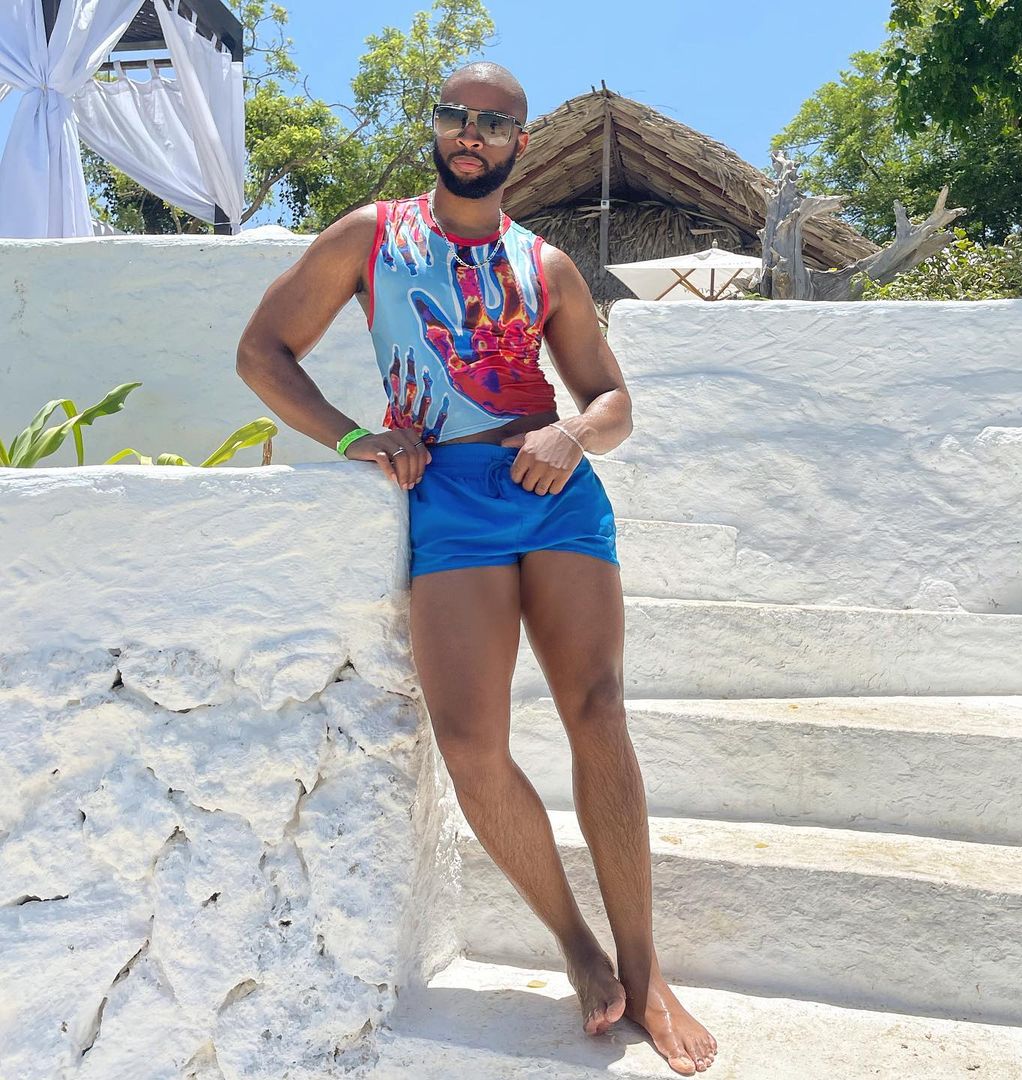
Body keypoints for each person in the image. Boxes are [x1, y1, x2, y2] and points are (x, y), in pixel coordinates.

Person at [235, 60, 717, 1076]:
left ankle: (646, 966)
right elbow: (263, 352)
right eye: (457, 115)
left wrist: (571, 435)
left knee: (598, 710)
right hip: (447, 496)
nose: (472, 133)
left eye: (493, 123)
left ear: (518, 144)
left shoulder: (548, 265)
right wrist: (352, 436)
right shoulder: (370, 236)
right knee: (469, 743)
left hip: (553, 487)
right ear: (436, 127)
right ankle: (580, 950)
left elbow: (613, 402)